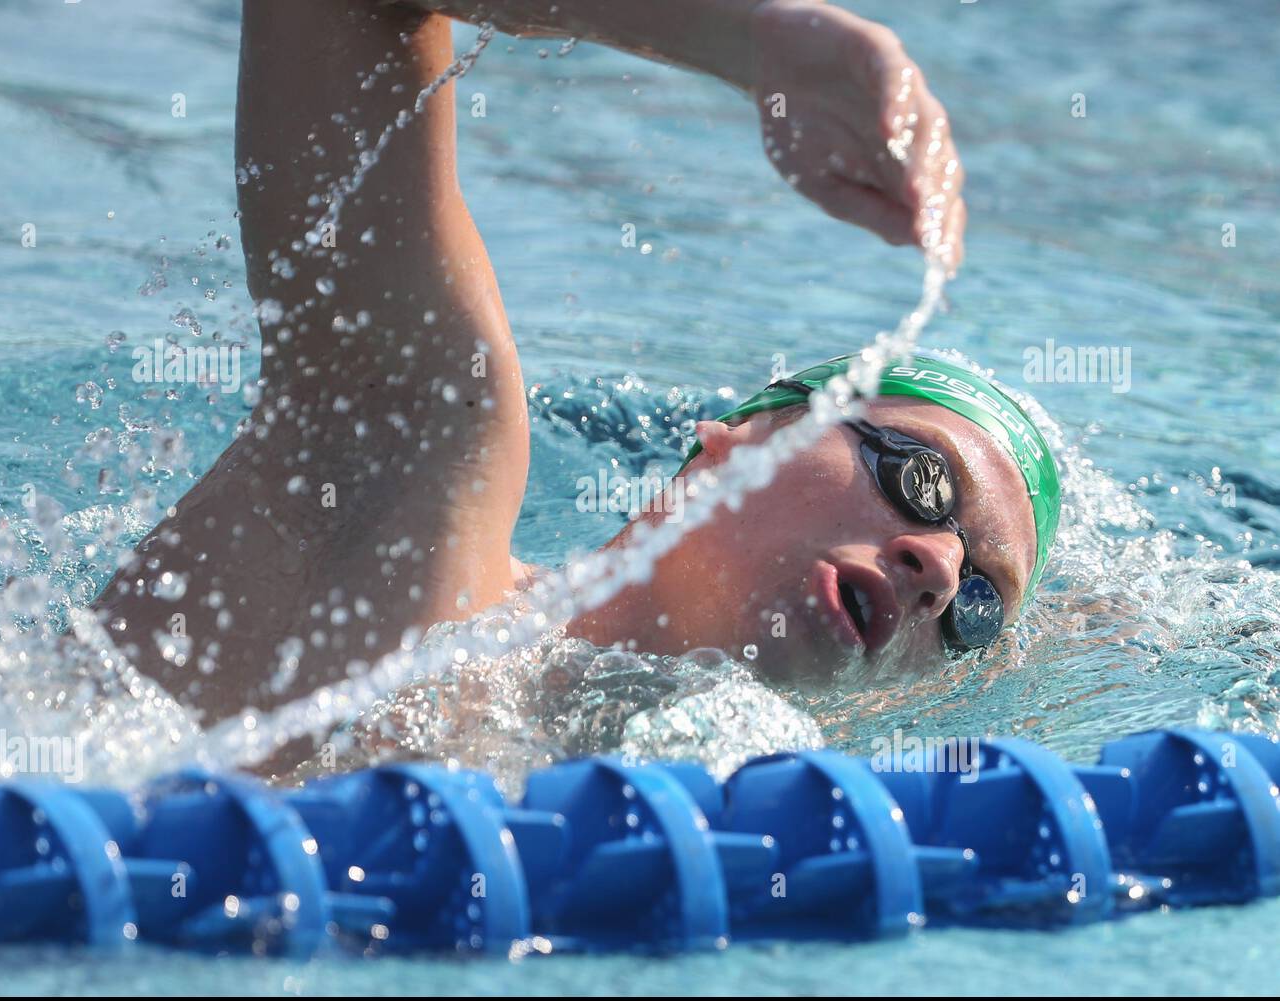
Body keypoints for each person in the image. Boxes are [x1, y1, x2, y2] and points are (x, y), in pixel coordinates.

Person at [94, 0, 1010, 725]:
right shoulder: (411, 483)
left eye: (978, 605)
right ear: (743, 435)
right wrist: (747, 40)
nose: (937, 566)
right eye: (923, 479)